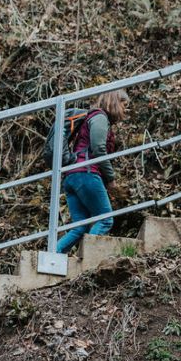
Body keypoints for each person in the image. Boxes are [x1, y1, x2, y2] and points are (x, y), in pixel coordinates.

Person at [56, 90, 129, 254]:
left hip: (72, 176)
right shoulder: (99, 117)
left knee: (80, 226)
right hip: (86, 173)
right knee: (105, 220)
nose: (125, 111)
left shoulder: (90, 117)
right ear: (115, 102)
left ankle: (52, 255)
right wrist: (111, 178)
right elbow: (99, 148)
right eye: (124, 106)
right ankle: (88, 260)